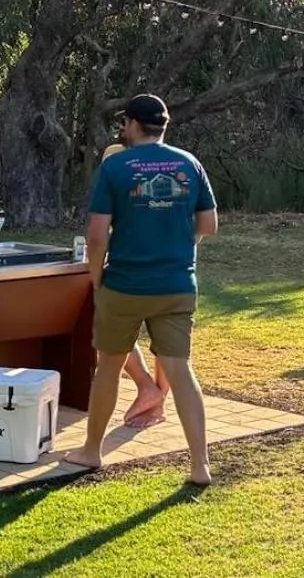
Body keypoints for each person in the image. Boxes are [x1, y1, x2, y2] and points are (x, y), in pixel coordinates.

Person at [65, 93, 218, 485]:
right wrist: (181, 249)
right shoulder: (190, 164)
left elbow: (97, 234)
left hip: (124, 285)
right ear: (163, 126)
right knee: (180, 371)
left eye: (124, 123)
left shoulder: (116, 167)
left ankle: (91, 450)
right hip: (177, 283)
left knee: (109, 368)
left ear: (132, 125)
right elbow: (209, 225)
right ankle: (200, 465)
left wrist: (96, 276)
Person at [99, 135, 170, 427]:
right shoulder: (115, 155)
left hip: (160, 261)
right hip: (133, 260)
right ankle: (148, 389)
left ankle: (157, 401)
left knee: (166, 335)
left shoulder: (168, 164)